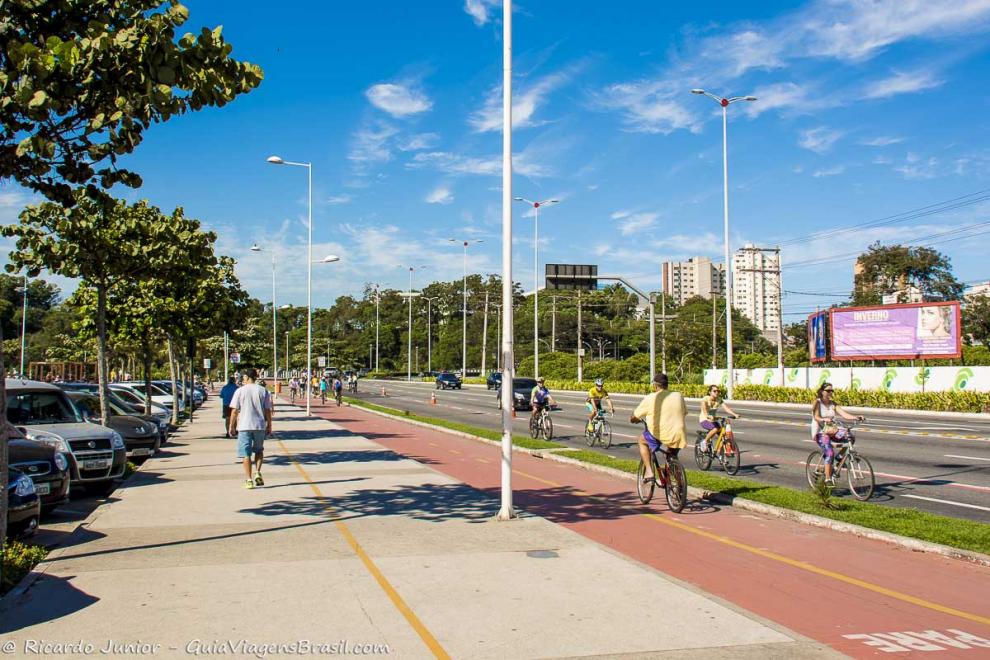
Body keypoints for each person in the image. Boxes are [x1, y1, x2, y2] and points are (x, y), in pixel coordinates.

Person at [630, 373, 687, 482]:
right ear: (667, 385)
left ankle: (649, 472)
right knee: (671, 456)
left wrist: (633, 419)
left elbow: (634, 416)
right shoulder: (678, 395)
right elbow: (684, 412)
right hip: (678, 433)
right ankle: (680, 486)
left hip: (659, 433)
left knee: (642, 441)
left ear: (655, 386)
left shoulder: (651, 397)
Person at [227, 368, 273, 489]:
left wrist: (231, 426)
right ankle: (258, 472)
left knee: (245, 454)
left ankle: (248, 479)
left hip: (244, 426)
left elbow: (234, 410)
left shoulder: (240, 391)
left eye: (243, 377)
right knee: (259, 450)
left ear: (247, 377)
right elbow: (268, 410)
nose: (242, 379)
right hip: (259, 426)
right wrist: (269, 425)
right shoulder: (264, 391)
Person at [812, 382, 863, 485]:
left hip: (832, 430)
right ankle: (828, 479)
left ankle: (839, 458)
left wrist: (856, 417)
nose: (830, 392)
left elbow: (844, 414)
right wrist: (824, 419)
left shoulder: (833, 404)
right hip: (821, 432)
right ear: (822, 391)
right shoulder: (817, 402)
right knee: (829, 452)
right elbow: (816, 416)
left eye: (832, 390)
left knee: (850, 437)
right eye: (828, 390)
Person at [698, 385, 739, 452]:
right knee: (715, 429)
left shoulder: (719, 399)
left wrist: (734, 414)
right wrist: (707, 415)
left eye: (718, 391)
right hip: (704, 420)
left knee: (723, 435)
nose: (717, 392)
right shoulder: (706, 398)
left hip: (713, 420)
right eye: (714, 391)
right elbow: (704, 407)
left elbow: (726, 408)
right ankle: (705, 442)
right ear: (710, 392)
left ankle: (719, 453)